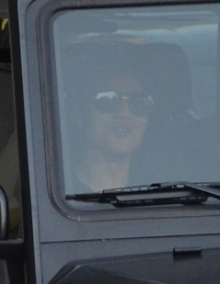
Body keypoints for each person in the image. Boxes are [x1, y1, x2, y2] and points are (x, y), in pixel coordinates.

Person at [65, 54, 155, 192]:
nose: (124, 113)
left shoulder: (165, 189)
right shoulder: (58, 190)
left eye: (138, 102)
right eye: (107, 101)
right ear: (79, 115)